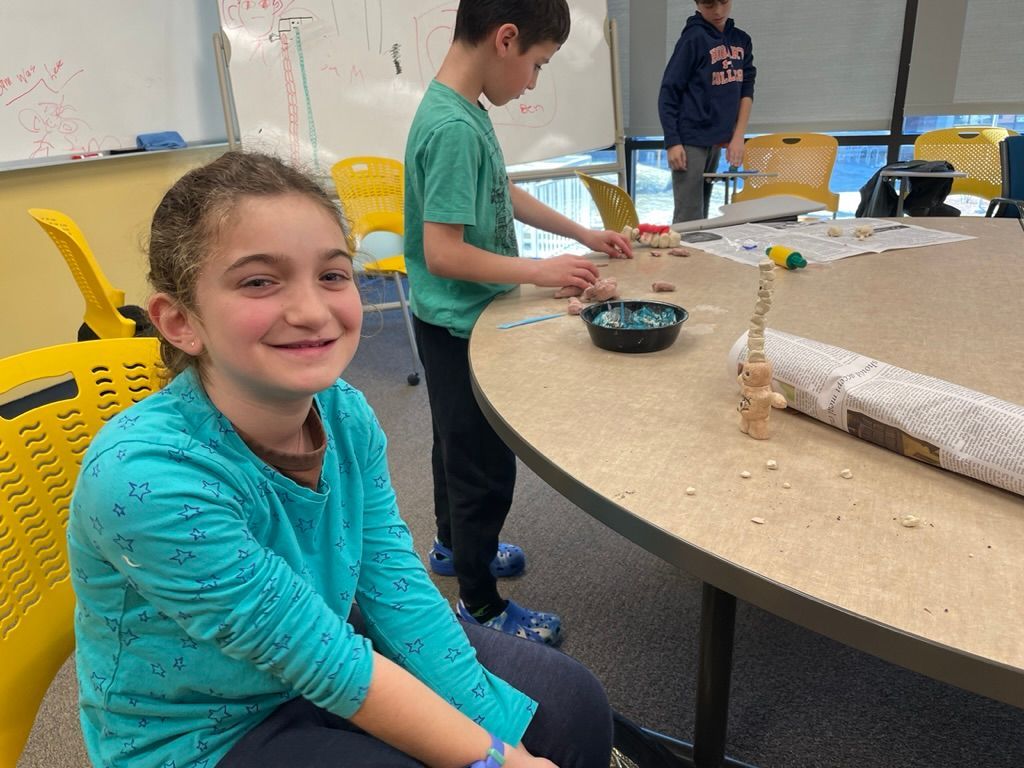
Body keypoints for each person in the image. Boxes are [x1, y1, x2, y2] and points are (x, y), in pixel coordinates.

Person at [67, 151, 614, 768]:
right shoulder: (147, 476)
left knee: (570, 706)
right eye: (258, 281)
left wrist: (499, 734)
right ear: (179, 321)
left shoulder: (345, 412)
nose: (312, 310)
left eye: (332, 275)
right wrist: (499, 761)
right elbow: (325, 661)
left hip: (319, 648)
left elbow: (392, 584)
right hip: (202, 733)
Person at [404, 0, 633, 646]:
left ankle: (453, 548)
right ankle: (479, 608)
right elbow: (444, 250)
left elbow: (501, 191)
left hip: (445, 320)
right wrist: (539, 272)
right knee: (482, 466)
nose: (533, 82)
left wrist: (581, 232)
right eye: (537, 65)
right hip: (460, 324)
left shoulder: (460, 108)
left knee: (453, 443)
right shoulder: (452, 127)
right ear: (506, 40)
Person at [658, 0, 756, 223]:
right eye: (709, 5)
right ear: (698, 4)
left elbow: (746, 89)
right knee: (688, 217)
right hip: (690, 140)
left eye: (723, 2)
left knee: (702, 213)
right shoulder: (693, 39)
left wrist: (738, 136)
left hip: (716, 141)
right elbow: (668, 92)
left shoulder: (741, 40)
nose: (718, 11)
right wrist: (672, 141)